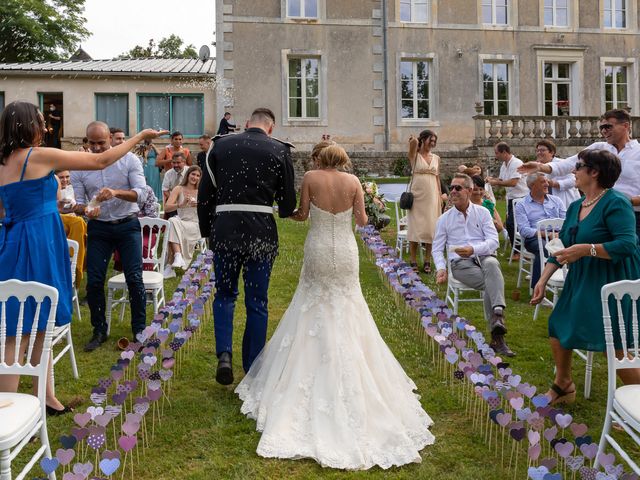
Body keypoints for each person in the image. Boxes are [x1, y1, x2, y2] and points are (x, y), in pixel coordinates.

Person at [235, 144, 435, 469]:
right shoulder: (354, 182)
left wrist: (300, 213)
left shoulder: (311, 177)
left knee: (312, 304)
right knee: (347, 303)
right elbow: (363, 219)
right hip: (344, 251)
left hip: (317, 248)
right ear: (342, 160)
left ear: (320, 158)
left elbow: (301, 214)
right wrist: (366, 206)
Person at [0, 101, 164, 414]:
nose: (46, 128)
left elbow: (2, 211)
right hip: (39, 245)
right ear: (28, 126)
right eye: (41, 122)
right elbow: (101, 160)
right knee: (17, 334)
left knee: (35, 323)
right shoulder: (37, 155)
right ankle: (4, 416)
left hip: (12, 242)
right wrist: (140, 136)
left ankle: (46, 399)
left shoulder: (2, 161)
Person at [531, 149, 640, 405]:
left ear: (595, 172)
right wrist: (543, 278)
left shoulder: (617, 202)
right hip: (581, 279)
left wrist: (587, 249)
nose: (573, 171)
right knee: (558, 324)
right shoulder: (575, 205)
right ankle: (563, 384)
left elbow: (627, 245)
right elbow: (563, 245)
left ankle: (636, 398)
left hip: (611, 281)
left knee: (615, 346)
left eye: (578, 166)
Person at [197, 107, 296, 385]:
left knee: (225, 294)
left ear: (246, 124)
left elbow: (205, 195)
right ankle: (253, 366)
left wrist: (208, 232)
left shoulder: (220, 145)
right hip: (261, 234)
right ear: (271, 128)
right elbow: (287, 204)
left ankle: (224, 356)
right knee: (257, 300)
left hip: (225, 231)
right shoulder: (280, 150)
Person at [72, 121, 164, 352]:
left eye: (101, 143)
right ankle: (99, 330)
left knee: (134, 278)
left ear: (111, 139)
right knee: (94, 281)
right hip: (99, 228)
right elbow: (78, 203)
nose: (96, 148)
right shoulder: (80, 166)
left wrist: (115, 193)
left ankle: (139, 329)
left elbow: (141, 195)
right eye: (91, 143)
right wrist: (85, 210)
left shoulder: (129, 160)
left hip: (127, 225)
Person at [519, 109, 640, 239]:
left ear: (626, 126)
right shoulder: (599, 148)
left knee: (630, 253)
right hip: (599, 213)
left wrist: (624, 201)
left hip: (634, 215)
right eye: (601, 128)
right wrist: (540, 167)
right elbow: (567, 164)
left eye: (608, 126)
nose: (604, 131)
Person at [432, 173, 515, 357]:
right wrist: (441, 268)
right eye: (451, 187)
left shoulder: (483, 213)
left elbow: (494, 241)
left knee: (492, 263)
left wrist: (473, 249)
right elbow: (437, 249)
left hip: (483, 257)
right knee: (492, 283)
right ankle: (498, 327)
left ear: (469, 191)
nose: (452, 191)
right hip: (460, 264)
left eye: (457, 188)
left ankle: (497, 321)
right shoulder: (444, 219)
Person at [515, 173, 566, 289]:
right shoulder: (522, 205)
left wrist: (558, 234)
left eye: (547, 181)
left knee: (576, 244)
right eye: (543, 182)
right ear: (532, 185)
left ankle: (569, 282)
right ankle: (537, 288)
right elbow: (524, 230)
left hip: (558, 235)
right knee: (545, 248)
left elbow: (566, 221)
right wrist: (548, 234)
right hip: (535, 238)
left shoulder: (556, 200)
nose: (547, 184)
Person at [406, 130, 442, 274]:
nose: (432, 144)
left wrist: (439, 195)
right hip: (417, 196)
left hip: (432, 196)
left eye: (434, 141)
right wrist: (415, 141)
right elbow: (413, 146)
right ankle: (413, 259)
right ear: (423, 140)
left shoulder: (436, 158)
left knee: (430, 228)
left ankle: (428, 259)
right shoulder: (414, 155)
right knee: (415, 227)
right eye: (430, 140)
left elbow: (437, 177)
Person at [486, 142, 529, 259]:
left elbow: (513, 182)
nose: (495, 156)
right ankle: (518, 250)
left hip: (521, 198)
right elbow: (502, 179)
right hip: (511, 198)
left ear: (504, 152)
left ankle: (519, 252)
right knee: (511, 224)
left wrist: (496, 182)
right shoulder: (504, 165)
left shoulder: (517, 163)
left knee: (512, 224)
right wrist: (492, 179)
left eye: (497, 153)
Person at [164, 165, 202, 277]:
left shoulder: (201, 191)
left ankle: (170, 267)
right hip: (181, 222)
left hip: (195, 224)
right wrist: (181, 205)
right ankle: (178, 255)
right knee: (172, 220)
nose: (194, 177)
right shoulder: (178, 189)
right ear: (188, 174)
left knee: (172, 226)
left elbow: (210, 209)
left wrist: (200, 205)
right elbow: (166, 207)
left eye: (198, 175)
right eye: (193, 174)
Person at [56, 169, 87, 283]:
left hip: (73, 221)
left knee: (79, 223)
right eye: (61, 177)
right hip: (60, 223)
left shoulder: (72, 189)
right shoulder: (53, 189)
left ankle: (77, 263)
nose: (65, 180)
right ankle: (77, 266)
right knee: (78, 222)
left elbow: (78, 206)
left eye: (67, 177)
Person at [534, 140, 580, 209]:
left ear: (552, 152)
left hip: (566, 202)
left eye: (542, 150)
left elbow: (574, 180)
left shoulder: (563, 163)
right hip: (546, 204)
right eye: (537, 151)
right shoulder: (536, 166)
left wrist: (555, 184)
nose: (539, 153)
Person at [161, 152, 188, 218]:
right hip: (173, 201)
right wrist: (173, 199)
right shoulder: (168, 173)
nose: (175, 165)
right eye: (173, 163)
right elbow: (165, 189)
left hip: (187, 200)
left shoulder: (189, 172)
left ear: (184, 162)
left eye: (178, 163)